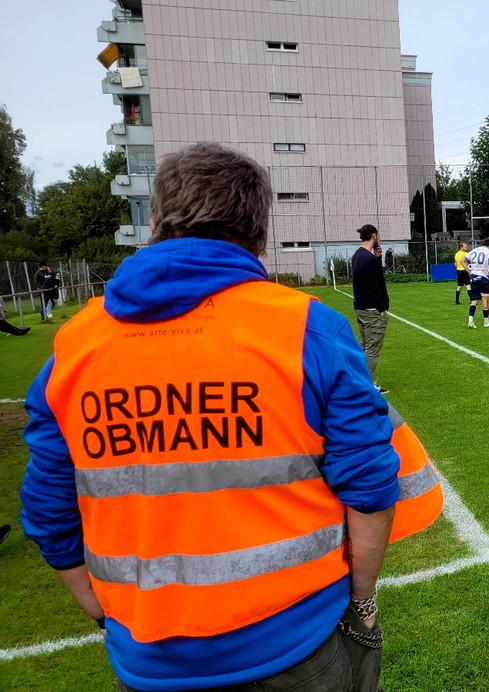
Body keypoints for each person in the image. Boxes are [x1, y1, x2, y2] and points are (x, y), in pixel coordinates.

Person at [20, 142, 441, 691]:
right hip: (297, 646)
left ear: (157, 224)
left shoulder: (72, 349)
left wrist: (106, 616)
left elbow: (50, 513)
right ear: (258, 234)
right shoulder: (307, 329)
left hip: (147, 659)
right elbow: (368, 486)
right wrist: (361, 601)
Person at [351, 223, 390, 393]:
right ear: (374, 235)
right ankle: (366, 386)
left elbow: (373, 276)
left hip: (361, 308)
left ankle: (358, 380)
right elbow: (373, 286)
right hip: (371, 310)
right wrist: (381, 309)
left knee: (365, 346)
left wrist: (378, 258)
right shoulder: (367, 259)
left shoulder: (359, 255)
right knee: (372, 349)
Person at [465, 238, 489, 328]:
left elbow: (462, 261)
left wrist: (469, 271)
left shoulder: (473, 251)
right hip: (483, 276)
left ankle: (470, 321)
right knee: (485, 298)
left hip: (473, 276)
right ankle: (486, 322)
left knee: (474, 300)